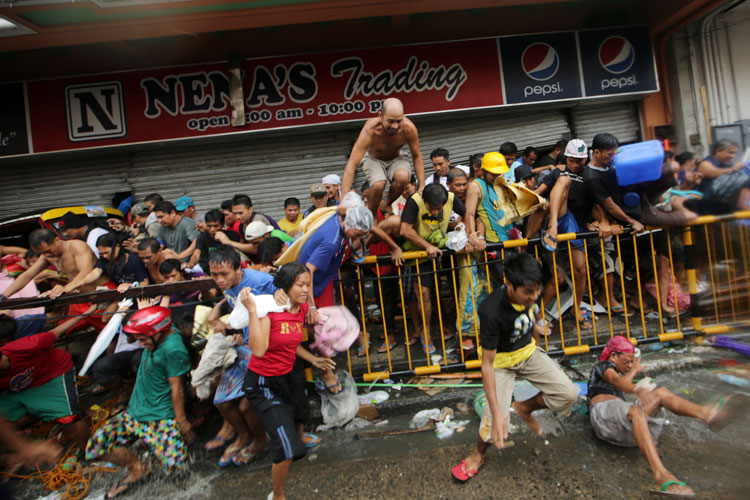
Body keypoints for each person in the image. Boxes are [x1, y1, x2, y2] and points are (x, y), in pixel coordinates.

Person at [451, 253, 578, 482]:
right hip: (499, 363)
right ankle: (478, 454)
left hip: (528, 353)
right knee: (495, 425)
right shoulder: (491, 311)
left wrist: (537, 336)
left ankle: (524, 407)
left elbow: (534, 315)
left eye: (536, 290)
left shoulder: (533, 291)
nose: (534, 296)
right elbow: (487, 366)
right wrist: (498, 411)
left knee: (568, 394)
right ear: (510, 285)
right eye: (528, 292)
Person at [588, 335, 748, 498]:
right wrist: (637, 386)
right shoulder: (603, 366)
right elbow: (617, 382)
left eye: (632, 362)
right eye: (627, 361)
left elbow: (623, 383)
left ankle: (708, 414)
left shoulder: (621, 378)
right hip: (603, 416)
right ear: (613, 356)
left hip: (621, 426)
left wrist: (635, 375)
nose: (629, 366)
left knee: (660, 393)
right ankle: (661, 475)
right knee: (636, 410)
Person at [242, 263, 335, 500]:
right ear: (285, 287)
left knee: (296, 422)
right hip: (262, 384)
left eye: (307, 284)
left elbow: (290, 345)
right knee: (284, 447)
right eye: (300, 285)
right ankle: (278, 496)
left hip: (285, 378)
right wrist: (253, 311)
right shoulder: (269, 310)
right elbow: (260, 350)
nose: (305, 289)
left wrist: (314, 360)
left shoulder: (302, 308)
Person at [85, 306, 192, 499]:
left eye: (143, 340)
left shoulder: (173, 349)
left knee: (178, 473)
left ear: (158, 333)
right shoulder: (163, 332)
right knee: (96, 447)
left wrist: (182, 421)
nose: (141, 344)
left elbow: (178, 388)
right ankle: (138, 468)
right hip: (134, 411)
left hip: (160, 418)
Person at [207, 245, 283, 467]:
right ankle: (243, 435)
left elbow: (282, 306)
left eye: (224, 274)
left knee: (247, 405)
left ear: (237, 268)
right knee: (221, 400)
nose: (220, 280)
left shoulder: (259, 282)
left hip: (265, 347)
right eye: (214, 275)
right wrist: (237, 331)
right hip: (244, 346)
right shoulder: (229, 286)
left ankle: (260, 440)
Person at [297, 202, 374, 389]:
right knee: (320, 331)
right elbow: (307, 270)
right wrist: (312, 306)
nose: (360, 238)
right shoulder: (332, 242)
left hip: (322, 283)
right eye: (359, 234)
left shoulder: (339, 218)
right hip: (308, 288)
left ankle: (325, 366)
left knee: (324, 330)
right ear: (350, 225)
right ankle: (326, 374)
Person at [0, 304, 98, 451]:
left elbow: (57, 331)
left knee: (69, 421)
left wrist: (87, 312)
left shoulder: (23, 347)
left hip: (53, 373)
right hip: (23, 388)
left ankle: (89, 451)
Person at [1, 230, 115, 333]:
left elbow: (85, 271)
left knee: (111, 330)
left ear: (56, 240)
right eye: (43, 253)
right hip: (80, 298)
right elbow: (27, 275)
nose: (47, 255)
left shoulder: (76, 246)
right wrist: (4, 296)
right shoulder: (47, 256)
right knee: (65, 328)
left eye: (48, 250)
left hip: (101, 292)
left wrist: (64, 289)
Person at [399, 183, 466, 353]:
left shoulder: (450, 197)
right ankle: (426, 332)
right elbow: (405, 230)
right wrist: (427, 246)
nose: (436, 212)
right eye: (432, 208)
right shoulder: (414, 201)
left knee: (446, 290)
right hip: (419, 252)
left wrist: (463, 229)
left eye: (440, 208)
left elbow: (468, 214)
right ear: (424, 200)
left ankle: (458, 329)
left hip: (443, 249)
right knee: (424, 294)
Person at [341, 97, 426, 215]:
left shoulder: (409, 128)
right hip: (373, 159)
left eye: (399, 121)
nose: (395, 126)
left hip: (396, 158)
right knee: (378, 184)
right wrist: (344, 200)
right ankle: (372, 214)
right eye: (390, 121)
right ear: (380, 115)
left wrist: (422, 185)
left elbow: (417, 156)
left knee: (403, 177)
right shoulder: (370, 129)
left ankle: (386, 204)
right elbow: (351, 164)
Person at [73, 233, 149, 293]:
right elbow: (95, 273)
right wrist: (80, 282)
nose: (104, 256)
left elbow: (144, 283)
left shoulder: (135, 260)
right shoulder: (103, 260)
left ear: (117, 247)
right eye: (101, 253)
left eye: (106, 252)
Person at [692, 138, 750, 213]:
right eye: (730, 153)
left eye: (734, 153)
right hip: (709, 206)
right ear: (718, 150)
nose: (732, 156)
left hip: (726, 205)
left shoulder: (728, 164)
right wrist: (734, 169)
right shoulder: (705, 163)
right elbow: (712, 173)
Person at [190, 209, 240, 273]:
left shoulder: (232, 235)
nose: (212, 229)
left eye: (216, 226)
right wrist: (192, 263)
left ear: (223, 225)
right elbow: (196, 254)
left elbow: (237, 254)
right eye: (209, 226)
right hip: (207, 272)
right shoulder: (202, 237)